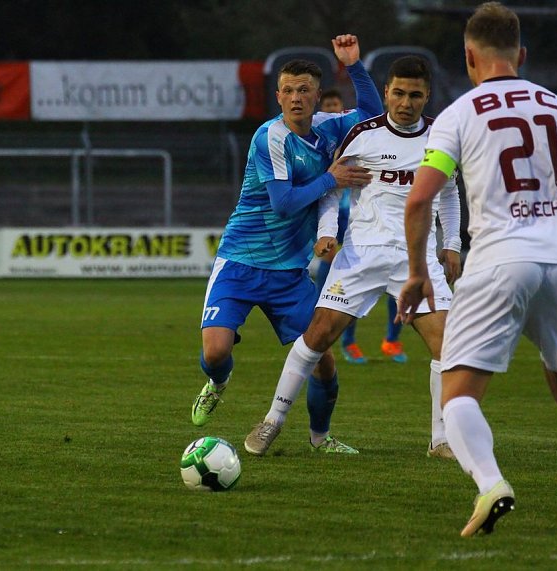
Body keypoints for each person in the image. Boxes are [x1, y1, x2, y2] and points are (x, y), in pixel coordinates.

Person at [398, 1, 557, 536]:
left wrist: (417, 273)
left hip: (499, 262)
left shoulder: (458, 114)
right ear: (520, 54)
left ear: (470, 57)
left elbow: (418, 202)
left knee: (457, 395)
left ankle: (491, 484)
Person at [245, 55, 462, 458]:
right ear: (386, 93)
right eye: (398, 93)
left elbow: (449, 192)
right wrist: (328, 234)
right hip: (361, 254)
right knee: (316, 337)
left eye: (415, 95)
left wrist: (451, 244)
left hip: (417, 260)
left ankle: (441, 440)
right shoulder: (363, 134)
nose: (406, 102)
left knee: (447, 346)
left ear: (426, 97)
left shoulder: (442, 138)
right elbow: (333, 187)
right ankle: (272, 420)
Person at [192, 34, 383, 455]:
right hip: (240, 261)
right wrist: (331, 178)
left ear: (318, 97)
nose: (296, 98)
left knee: (323, 362)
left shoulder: (330, 127)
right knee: (217, 350)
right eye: (289, 90)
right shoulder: (270, 138)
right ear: (278, 96)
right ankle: (218, 382)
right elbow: (282, 204)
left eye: (305, 90)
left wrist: (353, 65)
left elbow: (373, 114)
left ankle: (320, 438)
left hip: (290, 272)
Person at [314, 89, 408, 365]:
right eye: (327, 108)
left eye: (336, 107)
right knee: (337, 281)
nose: (332, 111)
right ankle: (347, 340)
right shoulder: (322, 145)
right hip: (340, 222)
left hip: (365, 222)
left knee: (396, 281)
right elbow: (322, 193)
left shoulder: (362, 139)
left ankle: (391, 339)